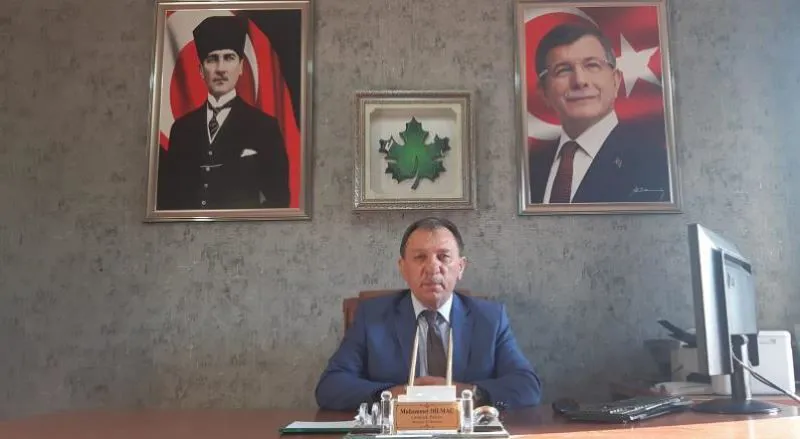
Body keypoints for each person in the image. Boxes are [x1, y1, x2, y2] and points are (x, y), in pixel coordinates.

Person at [315, 217, 542, 411]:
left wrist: (463, 392)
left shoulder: (490, 318)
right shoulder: (371, 316)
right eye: (420, 257)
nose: (432, 267)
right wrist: (396, 395)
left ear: (460, 267)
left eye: (443, 256)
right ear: (403, 268)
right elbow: (330, 387)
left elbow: (527, 386)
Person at [157, 15, 289, 210]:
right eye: (212, 59)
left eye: (229, 58)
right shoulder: (182, 130)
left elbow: (279, 201)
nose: (220, 69)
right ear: (201, 70)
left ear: (241, 67)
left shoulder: (264, 127)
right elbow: (168, 201)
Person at [529, 24, 670, 204]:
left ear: (616, 81)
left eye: (592, 65)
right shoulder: (530, 166)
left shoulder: (656, 162)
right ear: (544, 92)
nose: (580, 81)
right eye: (563, 70)